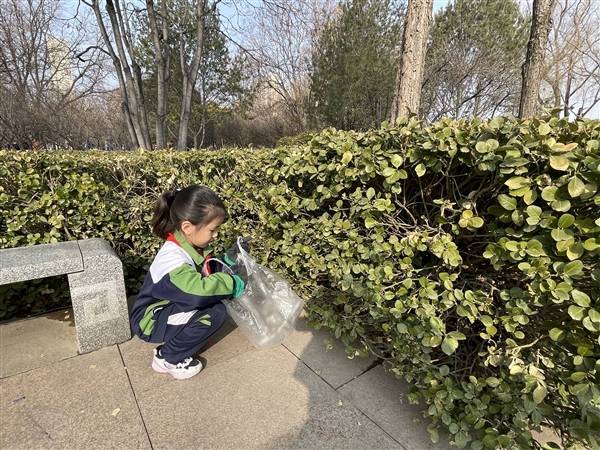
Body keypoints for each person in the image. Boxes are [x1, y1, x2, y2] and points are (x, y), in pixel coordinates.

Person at [130, 185, 250, 379]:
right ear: (187, 227)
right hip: (149, 320)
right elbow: (197, 292)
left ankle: (177, 344)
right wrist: (232, 284)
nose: (216, 234)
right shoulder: (173, 260)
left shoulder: (188, 245)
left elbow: (204, 273)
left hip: (166, 307)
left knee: (213, 305)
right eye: (213, 229)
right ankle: (167, 357)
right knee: (213, 313)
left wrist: (227, 263)